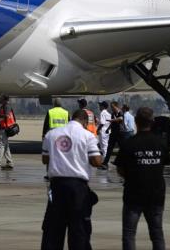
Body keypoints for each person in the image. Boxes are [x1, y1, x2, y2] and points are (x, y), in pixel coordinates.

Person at [41, 109, 102, 250]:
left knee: (53, 230)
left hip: (56, 187)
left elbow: (45, 159)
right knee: (79, 230)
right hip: (78, 188)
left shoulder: (51, 134)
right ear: (85, 122)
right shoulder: (88, 136)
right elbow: (97, 161)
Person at [114, 107, 170, 250]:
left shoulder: (129, 144)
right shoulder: (161, 143)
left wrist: (132, 176)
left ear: (136, 122)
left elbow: (120, 168)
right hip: (156, 194)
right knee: (157, 233)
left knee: (129, 233)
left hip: (134, 194)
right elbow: (164, 163)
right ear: (152, 122)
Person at [0, 95, 15, 169]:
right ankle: (9, 162)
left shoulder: (6, 106)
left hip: (4, 128)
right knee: (6, 146)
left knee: (1, 144)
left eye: (1, 98)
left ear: (4, 99)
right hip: (3, 128)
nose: (0, 99)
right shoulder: (4, 106)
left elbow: (6, 116)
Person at [104, 101, 124, 166]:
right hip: (113, 133)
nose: (111, 108)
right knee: (109, 148)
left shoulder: (120, 112)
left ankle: (122, 161)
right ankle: (105, 163)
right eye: (111, 107)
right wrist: (108, 129)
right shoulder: (113, 114)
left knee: (122, 148)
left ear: (116, 106)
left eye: (112, 107)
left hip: (119, 133)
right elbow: (112, 123)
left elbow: (120, 118)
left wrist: (111, 120)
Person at [97, 101, 111, 170]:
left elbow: (102, 123)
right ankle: (105, 163)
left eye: (100, 105)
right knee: (106, 147)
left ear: (103, 106)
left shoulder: (102, 113)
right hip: (107, 132)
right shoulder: (108, 113)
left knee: (103, 148)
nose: (99, 107)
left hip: (103, 131)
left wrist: (97, 129)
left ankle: (105, 164)